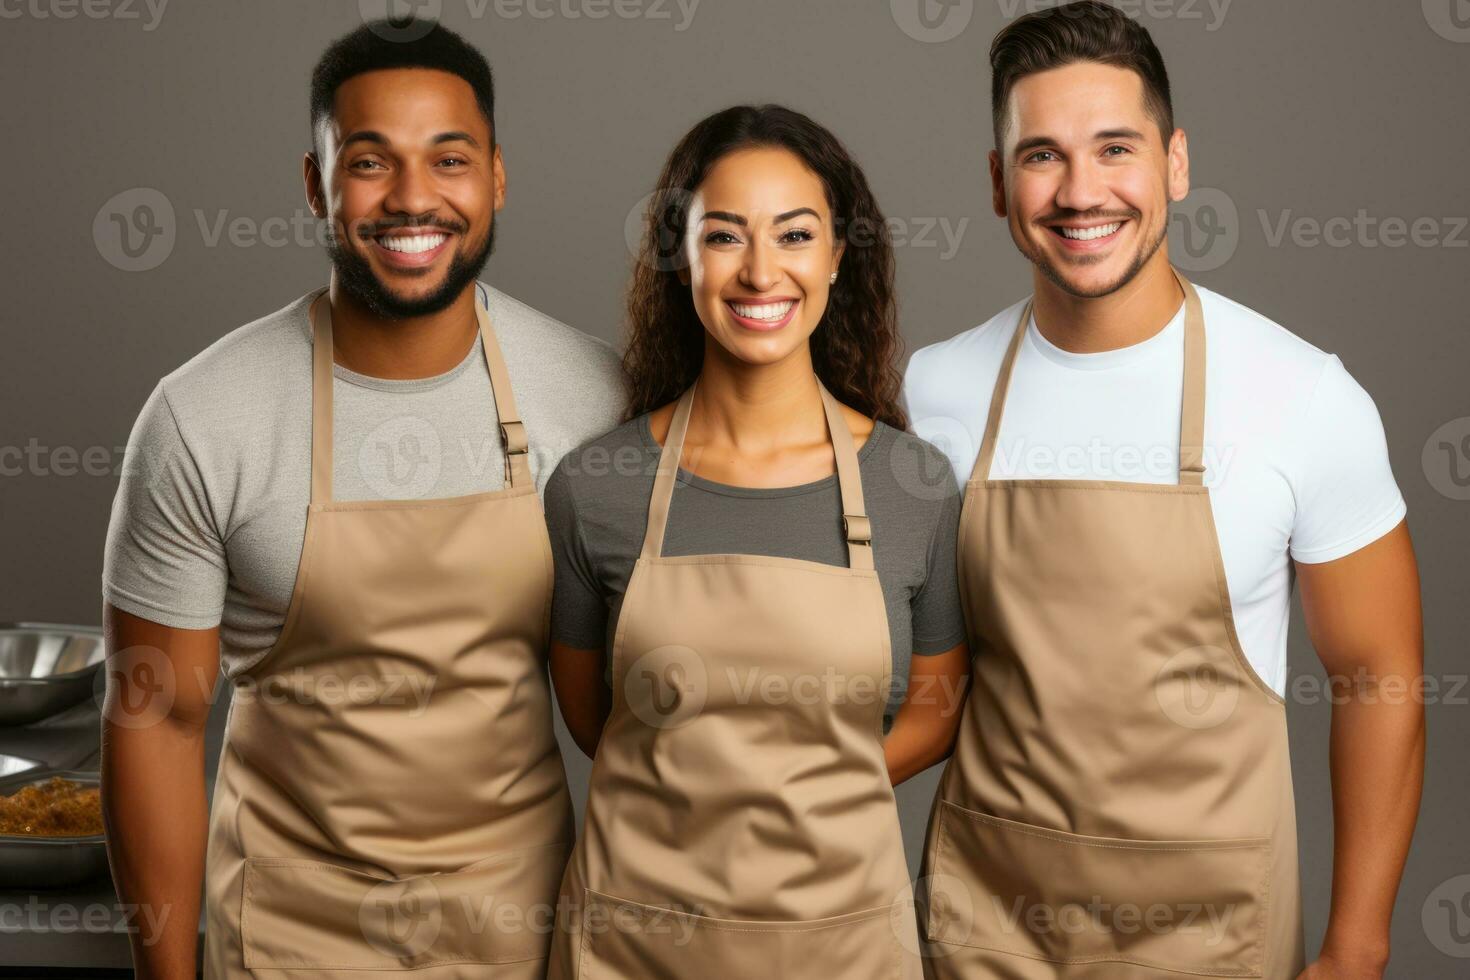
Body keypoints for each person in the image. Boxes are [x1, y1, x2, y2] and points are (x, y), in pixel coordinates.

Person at [904, 4, 1424, 978]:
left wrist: (1356, 946)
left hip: (1211, 931)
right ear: (996, 182)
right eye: (1041, 156)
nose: (1080, 190)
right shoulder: (931, 391)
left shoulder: (1303, 396)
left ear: (1176, 165)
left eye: (1115, 149)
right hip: (987, 923)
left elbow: (1379, 673)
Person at [100, 20, 625, 980]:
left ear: (497, 177)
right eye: (372, 162)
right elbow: (158, 726)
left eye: (449, 159)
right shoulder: (202, 417)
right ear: (316, 184)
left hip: (521, 930)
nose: (414, 197)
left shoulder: (596, 399)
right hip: (287, 939)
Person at [542, 104, 970, 979]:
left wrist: (801, 797)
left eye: (796, 235)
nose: (761, 272)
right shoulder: (597, 487)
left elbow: (938, 703)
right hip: (636, 941)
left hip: (844, 941)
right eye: (725, 236)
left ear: (839, 255)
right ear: (682, 257)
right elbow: (592, 716)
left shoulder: (912, 486)